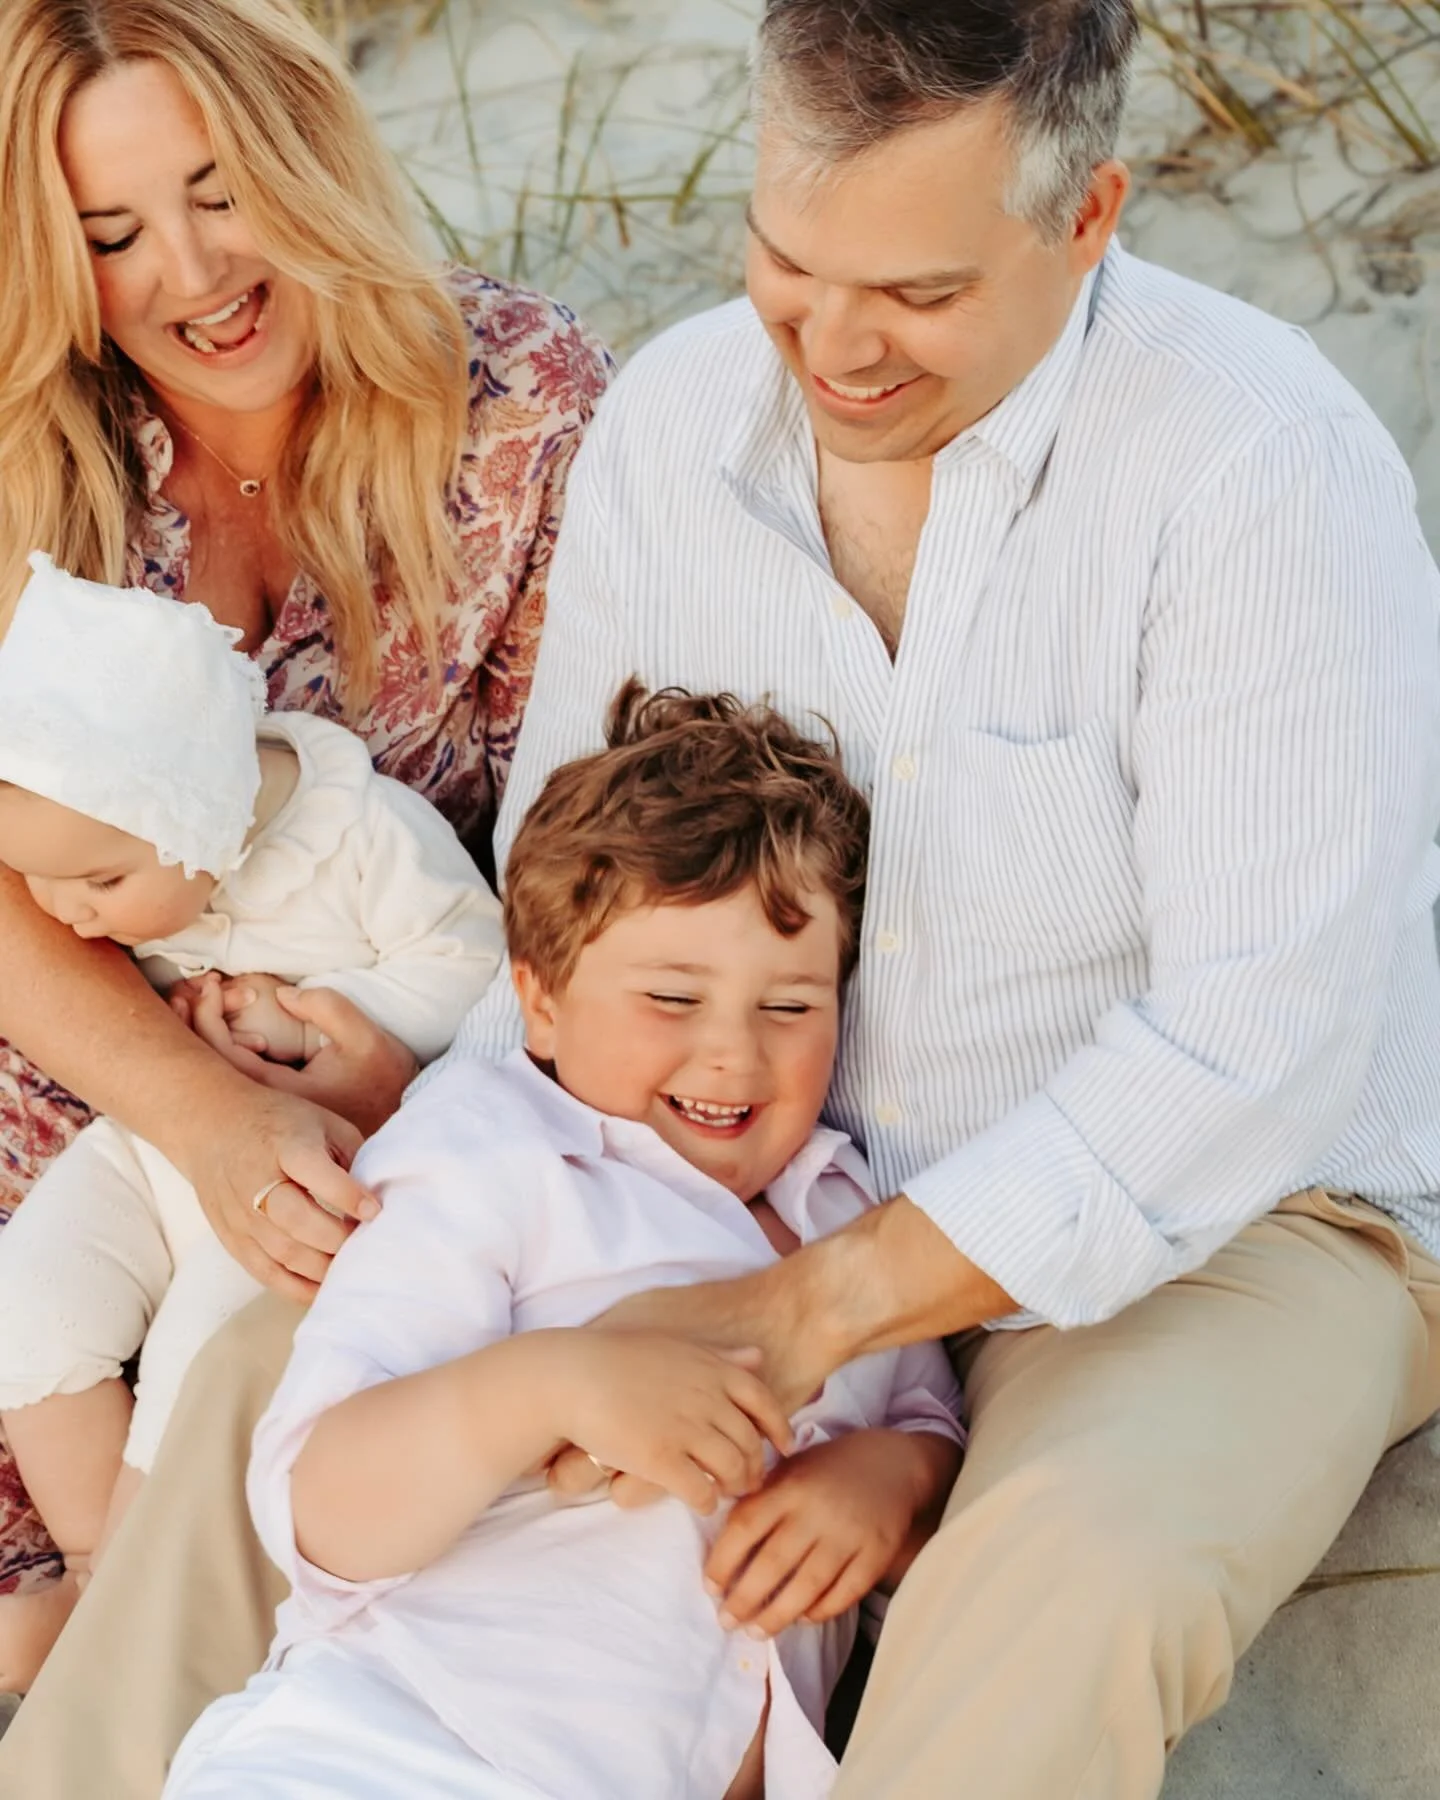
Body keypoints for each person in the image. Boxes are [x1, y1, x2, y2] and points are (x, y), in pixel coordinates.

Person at [7, 0, 1440, 1794]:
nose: (832, 346)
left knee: (1078, 1561)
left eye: (916, 294)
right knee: (261, 1399)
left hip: (1222, 1229)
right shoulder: (683, 421)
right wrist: (430, 1107)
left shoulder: (1254, 466)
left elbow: (1254, 1043)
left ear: (1090, 218)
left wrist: (814, 1318)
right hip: (707, 1170)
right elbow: (576, 883)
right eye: (786, 260)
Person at [0, 0, 608, 1610]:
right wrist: (199, 1122)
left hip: (374, 1075)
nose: (192, 275)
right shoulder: (27, 463)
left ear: (306, 148)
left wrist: (405, 1070)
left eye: (219, 188)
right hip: (68, 1089)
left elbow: (575, 845)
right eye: (114, 232)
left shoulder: (519, 407)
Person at [159, 684, 962, 1800]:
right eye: (673, 997)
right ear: (539, 1004)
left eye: (791, 1008)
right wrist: (550, 1385)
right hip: (397, 1749)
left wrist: (890, 1477)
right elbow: (317, 1507)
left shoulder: (852, 1215)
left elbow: (930, 1416)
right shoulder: (494, 1153)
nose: (734, 1054)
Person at [0, 555, 503, 1687]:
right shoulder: (109, 849)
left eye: (98, 882)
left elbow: (476, 966)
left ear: (198, 816)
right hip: (162, 1132)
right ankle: (95, 1572)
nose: (68, 913)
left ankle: (138, 1626)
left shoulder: (361, 836)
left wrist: (323, 1023)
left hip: (320, 1161)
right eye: (44, 884)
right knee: (28, 1292)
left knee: (207, 1361)